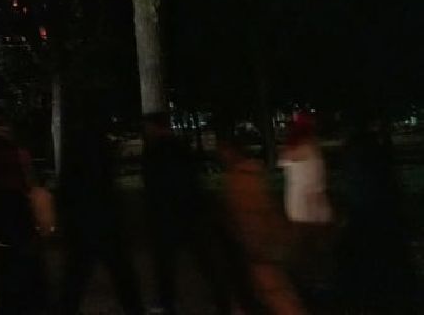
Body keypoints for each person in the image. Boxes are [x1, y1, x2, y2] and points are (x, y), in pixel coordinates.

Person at [141, 112, 234, 314]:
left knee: (166, 263)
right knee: (203, 260)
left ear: (155, 127)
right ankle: (221, 299)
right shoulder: (180, 148)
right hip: (188, 213)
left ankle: (167, 302)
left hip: (167, 216)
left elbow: (153, 187)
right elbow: (192, 180)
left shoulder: (153, 152)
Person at [55, 114, 144, 314]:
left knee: (76, 277)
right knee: (121, 274)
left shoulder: (75, 149)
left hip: (83, 222)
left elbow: (66, 188)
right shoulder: (101, 149)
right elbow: (106, 186)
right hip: (104, 221)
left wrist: (67, 221)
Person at [334, 114, 419, 311]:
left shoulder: (353, 152)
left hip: (365, 215)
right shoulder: (375, 150)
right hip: (380, 215)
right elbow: (389, 184)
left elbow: (356, 186)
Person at [216, 131, 303, 314]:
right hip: (253, 247)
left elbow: (256, 214)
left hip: (258, 248)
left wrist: (257, 243)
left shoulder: (243, 179)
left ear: (233, 151)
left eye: (223, 150)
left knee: (274, 293)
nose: (221, 155)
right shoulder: (244, 176)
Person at [0, 114, 46, 314]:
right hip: (16, 218)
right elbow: (30, 183)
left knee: (11, 272)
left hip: (9, 219)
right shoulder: (15, 154)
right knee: (25, 270)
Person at [278, 113, 332, 298]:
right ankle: (315, 286)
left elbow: (286, 162)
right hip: (312, 207)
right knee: (313, 250)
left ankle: (301, 285)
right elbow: (317, 181)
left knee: (302, 249)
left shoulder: (290, 149)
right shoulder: (311, 147)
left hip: (296, 206)